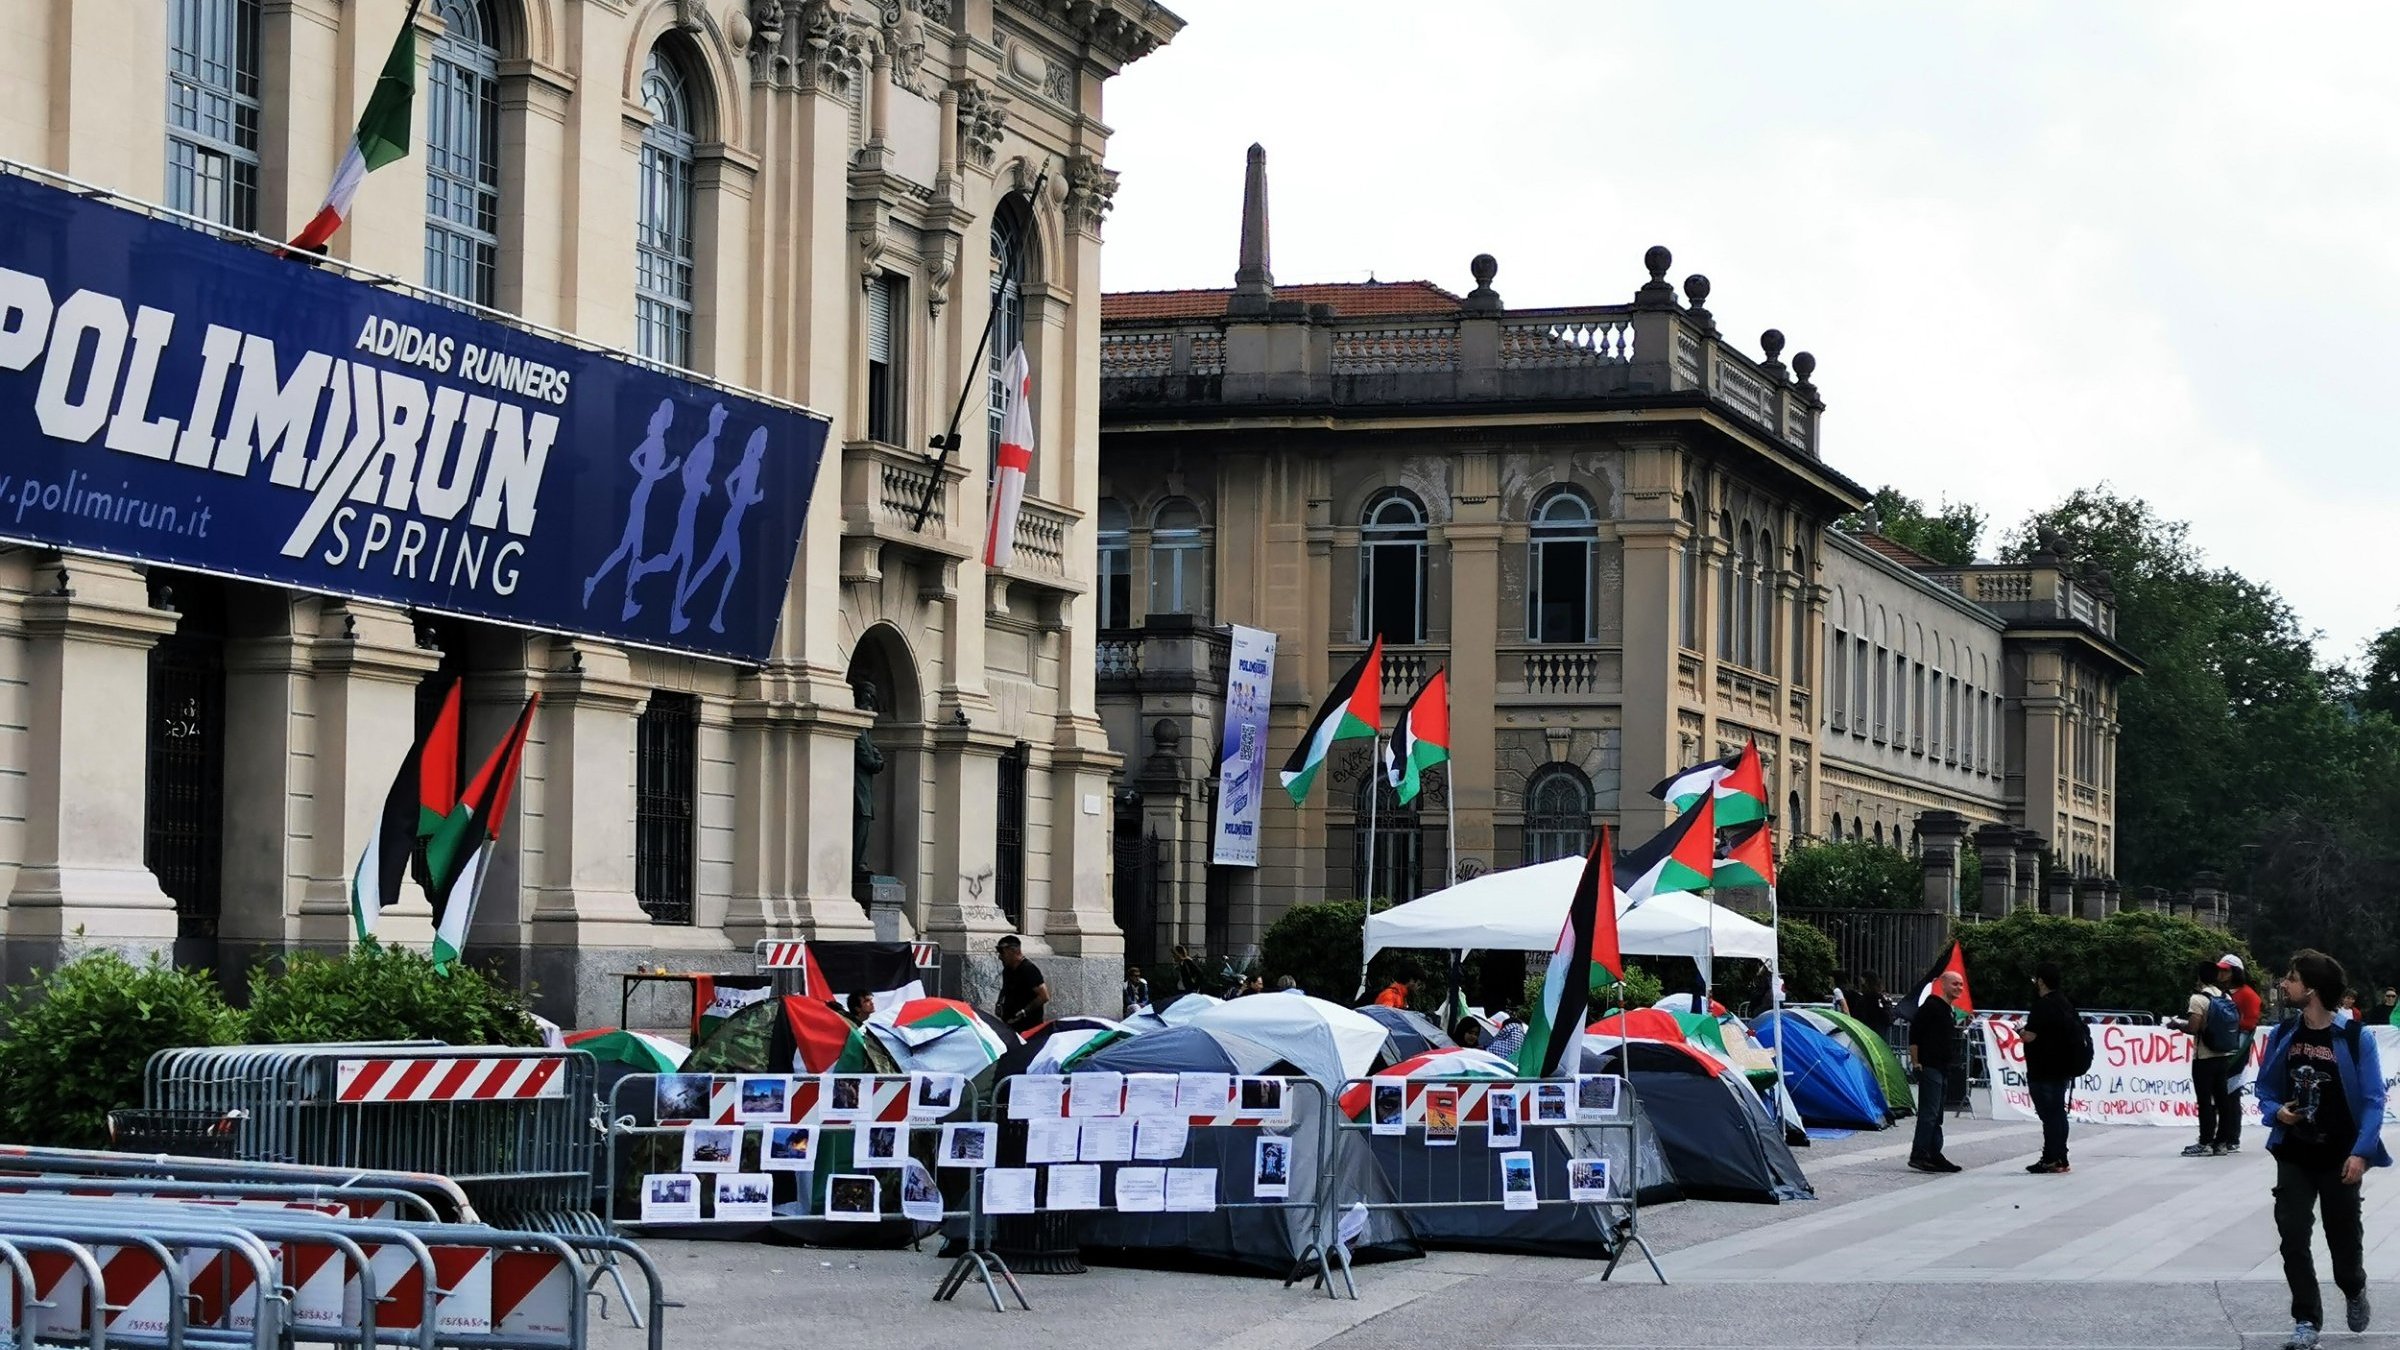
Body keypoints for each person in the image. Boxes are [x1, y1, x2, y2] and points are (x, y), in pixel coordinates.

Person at [2257, 948, 2388, 1349]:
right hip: (2294, 1154)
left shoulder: (2354, 1036)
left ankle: (2354, 1287)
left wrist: (2361, 1152)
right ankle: (2306, 1320)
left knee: (2343, 1239)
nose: (2284, 984)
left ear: (2311, 989)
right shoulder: (2284, 1034)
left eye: (2291, 978)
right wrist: (2278, 1112)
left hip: (2340, 1156)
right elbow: (2264, 1089)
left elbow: (2373, 1099)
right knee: (2293, 1236)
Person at [2167, 961, 2237, 1157]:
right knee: (2223, 1099)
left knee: (2205, 1100)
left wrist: (2176, 1025)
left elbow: (2193, 1028)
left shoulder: (2198, 999)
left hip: (2204, 1056)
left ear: (2199, 978)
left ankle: (2205, 1141)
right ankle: (2222, 1142)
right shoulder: (2226, 996)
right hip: (2223, 1054)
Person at [2021, 962, 2080, 1174]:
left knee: (2049, 1115)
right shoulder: (2066, 1003)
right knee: (2058, 1113)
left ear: (2041, 981)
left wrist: (2020, 1031)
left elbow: (2031, 1036)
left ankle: (2051, 1158)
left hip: (2043, 1068)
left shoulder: (2042, 1005)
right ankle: (2060, 1157)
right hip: (2063, 1067)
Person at [1907, 969, 1966, 1173]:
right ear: (1943, 984)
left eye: (1960, 984)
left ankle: (1934, 1153)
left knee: (1937, 1113)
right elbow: (1914, 1035)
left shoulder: (1948, 1010)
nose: (1958, 987)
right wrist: (1916, 1063)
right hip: (1930, 1065)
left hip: (1942, 1067)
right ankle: (1920, 1153)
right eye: (1954, 984)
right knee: (1929, 1112)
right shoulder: (1931, 1007)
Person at [2220, 954, 2264, 1154]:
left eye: (2226, 970)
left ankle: (2232, 1137)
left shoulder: (2248, 995)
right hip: (2220, 1048)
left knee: (2231, 1093)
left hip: (2237, 1048)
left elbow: (2251, 1021)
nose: (2222, 974)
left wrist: (2228, 1025)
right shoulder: (2222, 993)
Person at [995, 936, 1049, 1033]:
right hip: (1011, 1025)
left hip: (1029, 1028)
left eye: (1002, 952)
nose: (1000, 957)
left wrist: (1024, 1012)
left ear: (1012, 951)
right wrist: (999, 1003)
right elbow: (1005, 988)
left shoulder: (1029, 969)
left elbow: (1044, 996)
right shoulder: (1007, 970)